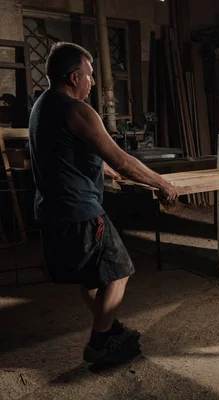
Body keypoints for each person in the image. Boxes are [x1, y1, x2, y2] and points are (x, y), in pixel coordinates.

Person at [29, 42, 179, 364]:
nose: (93, 83)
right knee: (119, 272)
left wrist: (105, 169)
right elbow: (124, 160)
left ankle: (108, 328)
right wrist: (163, 184)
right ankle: (100, 343)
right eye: (89, 75)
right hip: (80, 212)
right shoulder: (77, 110)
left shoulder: (42, 105)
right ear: (73, 77)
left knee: (90, 276)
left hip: (51, 212)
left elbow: (71, 153)